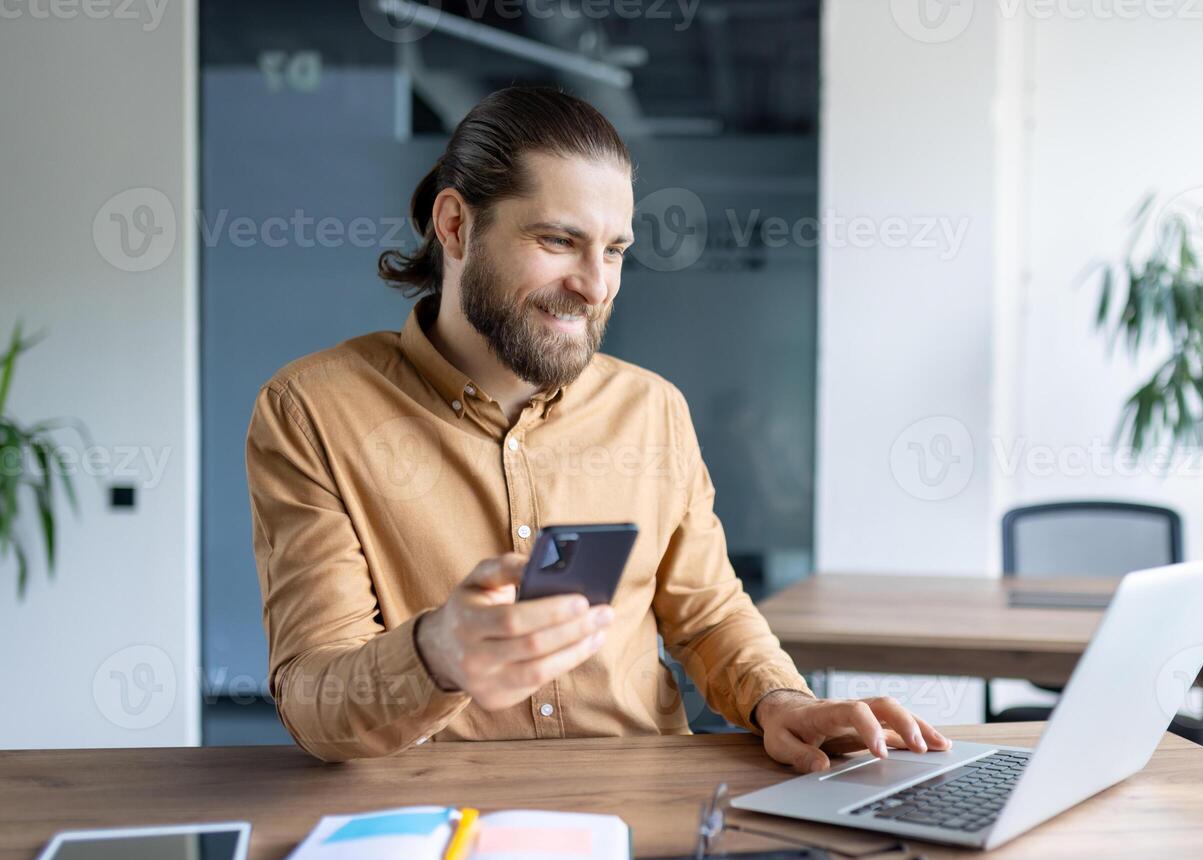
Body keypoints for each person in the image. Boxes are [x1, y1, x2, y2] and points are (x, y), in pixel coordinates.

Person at [245, 87, 950, 768]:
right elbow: (313, 698)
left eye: (613, 250)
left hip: (644, 817)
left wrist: (781, 700)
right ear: (455, 226)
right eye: (560, 240)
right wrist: (436, 654)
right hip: (438, 828)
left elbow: (708, 616)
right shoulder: (312, 412)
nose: (598, 284)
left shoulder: (652, 410)